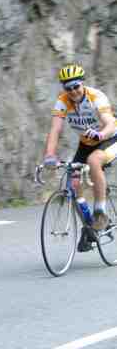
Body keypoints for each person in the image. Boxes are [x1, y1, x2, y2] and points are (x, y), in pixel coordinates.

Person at [43, 63, 117, 251]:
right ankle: (89, 227)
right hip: (86, 143)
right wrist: (50, 155)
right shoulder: (63, 101)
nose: (73, 91)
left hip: (109, 138)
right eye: (68, 88)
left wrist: (101, 134)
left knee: (94, 161)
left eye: (76, 86)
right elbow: (55, 129)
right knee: (73, 183)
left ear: (82, 83)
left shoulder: (96, 97)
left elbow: (109, 122)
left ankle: (100, 212)